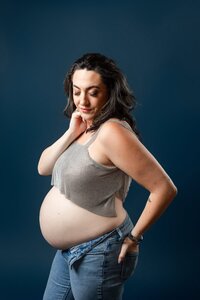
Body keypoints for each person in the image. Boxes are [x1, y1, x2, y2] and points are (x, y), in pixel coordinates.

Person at [37, 53, 178, 300]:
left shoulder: (112, 131)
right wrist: (71, 132)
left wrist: (134, 238)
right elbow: (43, 167)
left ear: (109, 92)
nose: (82, 100)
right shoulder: (85, 127)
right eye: (76, 91)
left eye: (93, 92)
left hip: (98, 250)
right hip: (69, 250)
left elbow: (164, 188)